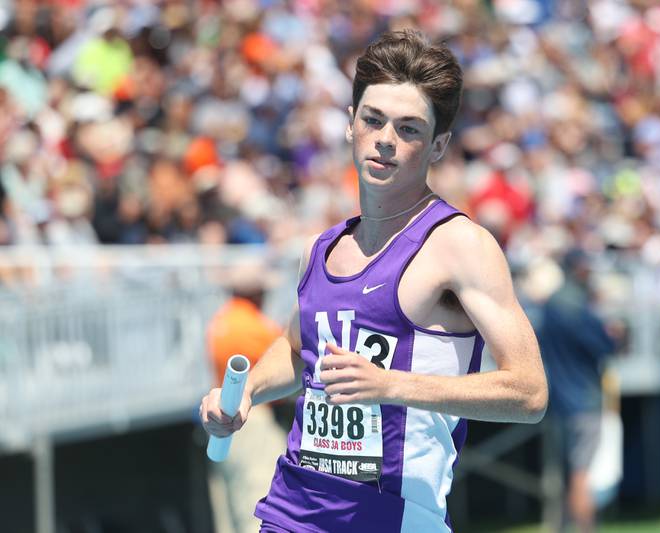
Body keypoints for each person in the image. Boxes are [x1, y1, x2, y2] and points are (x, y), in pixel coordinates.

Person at [200, 29, 548, 533]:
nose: (385, 138)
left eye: (409, 128)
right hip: (291, 510)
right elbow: (300, 349)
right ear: (350, 124)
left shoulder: (458, 246)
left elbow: (529, 393)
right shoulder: (319, 250)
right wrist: (246, 393)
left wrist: (391, 385)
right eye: (373, 119)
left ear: (439, 145)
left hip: (393, 518)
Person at [526, 248, 615, 533]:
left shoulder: (551, 303)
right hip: (584, 400)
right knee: (581, 475)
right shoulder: (578, 305)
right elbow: (606, 347)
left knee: (567, 473)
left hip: (558, 401)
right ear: (578, 269)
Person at [206, 261, 288, 533]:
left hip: (223, 425)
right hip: (250, 419)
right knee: (257, 503)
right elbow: (290, 361)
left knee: (228, 512)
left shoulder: (220, 322)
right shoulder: (254, 327)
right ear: (256, 294)